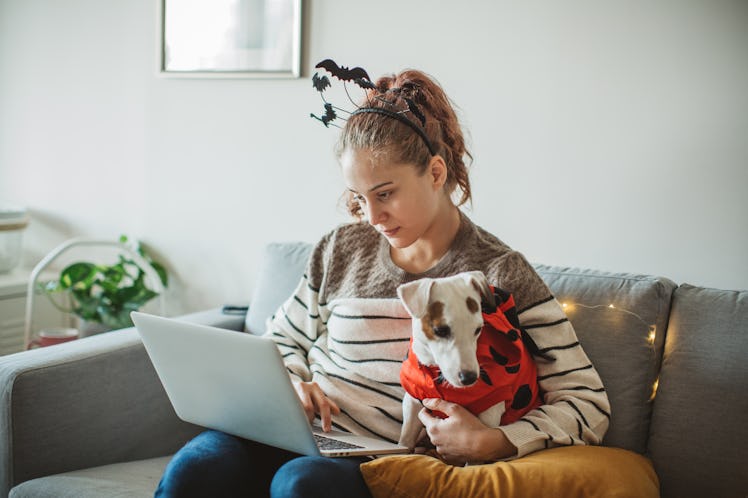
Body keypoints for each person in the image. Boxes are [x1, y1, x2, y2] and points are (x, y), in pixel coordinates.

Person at [155, 64, 610, 498]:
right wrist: (292, 382)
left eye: (385, 194)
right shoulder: (340, 249)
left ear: (435, 172)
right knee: (195, 471)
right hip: (289, 432)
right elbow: (279, 342)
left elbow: (585, 401)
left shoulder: (500, 274)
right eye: (359, 197)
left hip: (371, 459)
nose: (372, 217)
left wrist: (497, 441)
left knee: (299, 486)